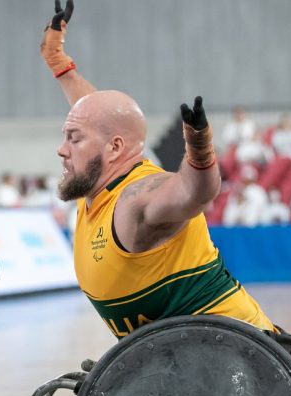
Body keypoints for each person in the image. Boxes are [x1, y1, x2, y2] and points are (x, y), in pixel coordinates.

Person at [40, 0, 273, 337]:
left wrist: (200, 150)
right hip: (177, 357)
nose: (62, 149)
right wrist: (58, 61)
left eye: (73, 139)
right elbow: (94, 115)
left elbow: (194, 192)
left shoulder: (135, 198)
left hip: (241, 357)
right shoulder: (97, 175)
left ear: (114, 148)